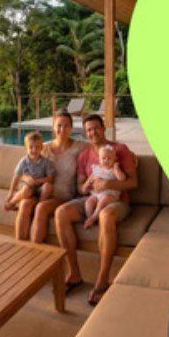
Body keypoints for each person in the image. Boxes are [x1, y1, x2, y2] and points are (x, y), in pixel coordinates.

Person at [54, 114, 137, 305]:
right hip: (91, 197)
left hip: (117, 201)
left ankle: (102, 279)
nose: (93, 132)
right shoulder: (84, 155)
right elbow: (81, 186)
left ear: (104, 128)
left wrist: (110, 183)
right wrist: (88, 187)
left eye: (96, 128)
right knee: (61, 213)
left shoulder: (120, 150)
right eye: (89, 130)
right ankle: (74, 273)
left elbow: (133, 182)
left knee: (106, 215)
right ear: (85, 133)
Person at [16, 112, 88, 242]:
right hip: (40, 191)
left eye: (66, 126)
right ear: (53, 127)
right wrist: (27, 179)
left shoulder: (80, 147)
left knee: (41, 207)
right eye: (59, 125)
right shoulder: (43, 147)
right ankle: (20, 249)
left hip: (63, 196)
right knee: (25, 203)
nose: (62, 129)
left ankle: (35, 251)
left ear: (71, 128)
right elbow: (22, 170)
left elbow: (100, 149)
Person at [4, 132, 54, 211]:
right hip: (26, 187)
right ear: (26, 148)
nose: (34, 150)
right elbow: (17, 177)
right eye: (31, 147)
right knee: (27, 190)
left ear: (42, 148)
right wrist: (10, 193)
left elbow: (50, 178)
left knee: (48, 186)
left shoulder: (46, 162)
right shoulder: (23, 161)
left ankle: (39, 206)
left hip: (40, 187)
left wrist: (38, 181)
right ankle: (12, 202)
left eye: (37, 147)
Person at [81, 145, 126, 229]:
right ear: (99, 159)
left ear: (114, 159)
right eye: (103, 158)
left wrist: (117, 169)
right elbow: (91, 178)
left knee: (102, 202)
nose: (106, 160)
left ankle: (94, 217)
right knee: (89, 202)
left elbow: (122, 178)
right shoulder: (97, 169)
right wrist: (86, 185)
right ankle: (89, 217)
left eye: (109, 158)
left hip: (110, 194)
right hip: (96, 194)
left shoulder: (113, 170)